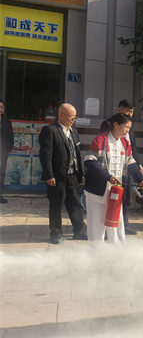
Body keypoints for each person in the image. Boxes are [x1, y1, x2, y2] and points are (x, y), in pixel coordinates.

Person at [84, 114, 143, 244]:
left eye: (129, 128)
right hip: (98, 189)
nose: (127, 131)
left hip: (116, 190)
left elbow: (131, 163)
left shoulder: (125, 143)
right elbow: (89, 162)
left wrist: (140, 179)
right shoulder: (101, 139)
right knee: (97, 224)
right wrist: (108, 177)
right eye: (126, 127)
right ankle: (96, 250)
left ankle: (117, 249)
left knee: (116, 223)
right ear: (116, 125)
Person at [39, 103, 87, 244]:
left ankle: (80, 232)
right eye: (71, 117)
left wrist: (81, 173)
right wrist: (49, 175)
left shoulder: (74, 132)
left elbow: (77, 154)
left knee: (76, 204)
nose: (73, 120)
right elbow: (46, 155)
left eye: (75, 117)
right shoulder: (50, 130)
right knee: (56, 205)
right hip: (57, 176)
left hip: (73, 175)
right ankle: (56, 234)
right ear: (61, 115)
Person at [100, 99, 143, 235]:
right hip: (113, 167)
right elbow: (105, 145)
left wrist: (138, 164)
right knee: (111, 197)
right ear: (119, 110)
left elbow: (133, 146)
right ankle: (106, 228)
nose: (130, 114)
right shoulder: (108, 124)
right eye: (127, 111)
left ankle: (123, 225)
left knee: (126, 197)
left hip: (127, 166)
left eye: (132, 112)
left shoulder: (130, 126)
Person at [0, 101, 14, 203]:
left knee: (1, 173)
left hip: (2, 152)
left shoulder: (7, 122)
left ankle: (0, 194)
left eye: (1, 107)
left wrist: (7, 149)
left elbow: (10, 137)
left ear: (4, 109)